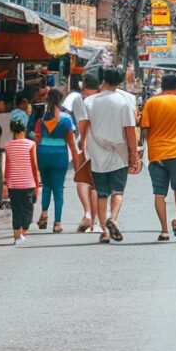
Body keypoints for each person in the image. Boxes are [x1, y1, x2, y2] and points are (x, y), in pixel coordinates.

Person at [139, 72, 176, 241]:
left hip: (156, 153)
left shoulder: (151, 103)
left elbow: (144, 129)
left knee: (159, 193)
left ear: (162, 85)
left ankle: (164, 230)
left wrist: (141, 147)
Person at [86, 67, 140, 243]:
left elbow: (84, 127)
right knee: (118, 191)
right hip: (119, 154)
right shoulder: (124, 102)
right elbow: (130, 130)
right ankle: (113, 218)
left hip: (97, 155)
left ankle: (104, 230)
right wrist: (134, 155)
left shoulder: (90, 102)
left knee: (102, 193)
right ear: (120, 81)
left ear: (103, 79)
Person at [34, 88, 83, 233]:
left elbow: (37, 138)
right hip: (59, 154)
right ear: (60, 100)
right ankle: (57, 223)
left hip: (43, 152)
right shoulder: (66, 119)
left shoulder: (43, 118)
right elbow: (72, 145)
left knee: (46, 186)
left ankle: (44, 213)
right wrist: (77, 166)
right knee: (58, 188)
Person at [64, 73, 99, 233]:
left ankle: (87, 213)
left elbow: (83, 123)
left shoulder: (79, 100)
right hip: (100, 144)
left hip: (83, 142)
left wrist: (83, 142)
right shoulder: (101, 99)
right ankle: (95, 219)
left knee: (82, 179)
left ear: (84, 86)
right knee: (96, 183)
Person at [2, 118, 39, 244]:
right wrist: (37, 183)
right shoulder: (31, 144)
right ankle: (23, 232)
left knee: (16, 210)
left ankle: (17, 236)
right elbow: (34, 165)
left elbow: (7, 166)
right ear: (24, 131)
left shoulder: (8, 145)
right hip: (28, 182)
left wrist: (5, 183)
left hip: (13, 184)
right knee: (28, 210)